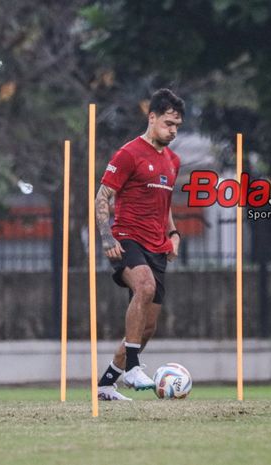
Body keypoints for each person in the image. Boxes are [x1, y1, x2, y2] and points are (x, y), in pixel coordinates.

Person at [96, 88, 184, 401]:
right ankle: (133, 366)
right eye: (168, 123)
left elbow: (166, 204)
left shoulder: (173, 161)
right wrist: (107, 237)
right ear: (152, 117)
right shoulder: (129, 153)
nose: (173, 130)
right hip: (127, 238)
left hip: (157, 246)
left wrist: (173, 234)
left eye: (177, 126)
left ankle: (106, 384)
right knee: (143, 286)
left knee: (147, 327)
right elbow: (102, 197)